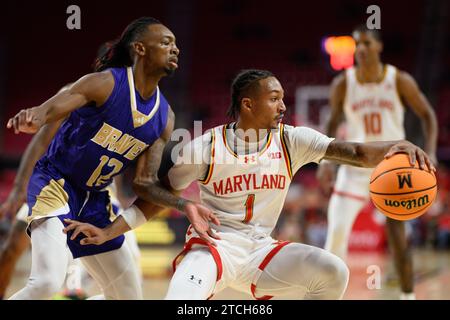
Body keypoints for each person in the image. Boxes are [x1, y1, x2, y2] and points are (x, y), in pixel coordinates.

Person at [63, 69, 435, 300]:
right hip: (214, 247)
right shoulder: (205, 146)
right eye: (274, 99)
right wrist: (109, 231)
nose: (282, 106)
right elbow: (158, 197)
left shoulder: (293, 139)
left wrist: (395, 147)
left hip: (263, 250)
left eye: (282, 99)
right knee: (182, 296)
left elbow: (351, 150)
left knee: (332, 270)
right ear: (247, 104)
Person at [5, 16, 210, 300]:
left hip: (98, 197)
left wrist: (183, 203)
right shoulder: (104, 84)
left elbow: (144, 185)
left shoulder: (164, 117)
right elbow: (47, 111)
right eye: (165, 42)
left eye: (176, 44)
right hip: (56, 184)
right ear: (139, 48)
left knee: (128, 297)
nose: (175, 49)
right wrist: (33, 117)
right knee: (46, 283)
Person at [317, 25, 438, 300]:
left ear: (379, 47)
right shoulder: (344, 83)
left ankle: (408, 296)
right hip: (354, 167)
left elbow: (428, 114)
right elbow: (332, 122)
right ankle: (327, 296)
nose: (361, 49)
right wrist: (325, 162)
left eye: (367, 43)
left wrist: (429, 152)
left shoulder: (398, 80)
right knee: (335, 234)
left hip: (394, 167)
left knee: (398, 240)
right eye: (357, 44)